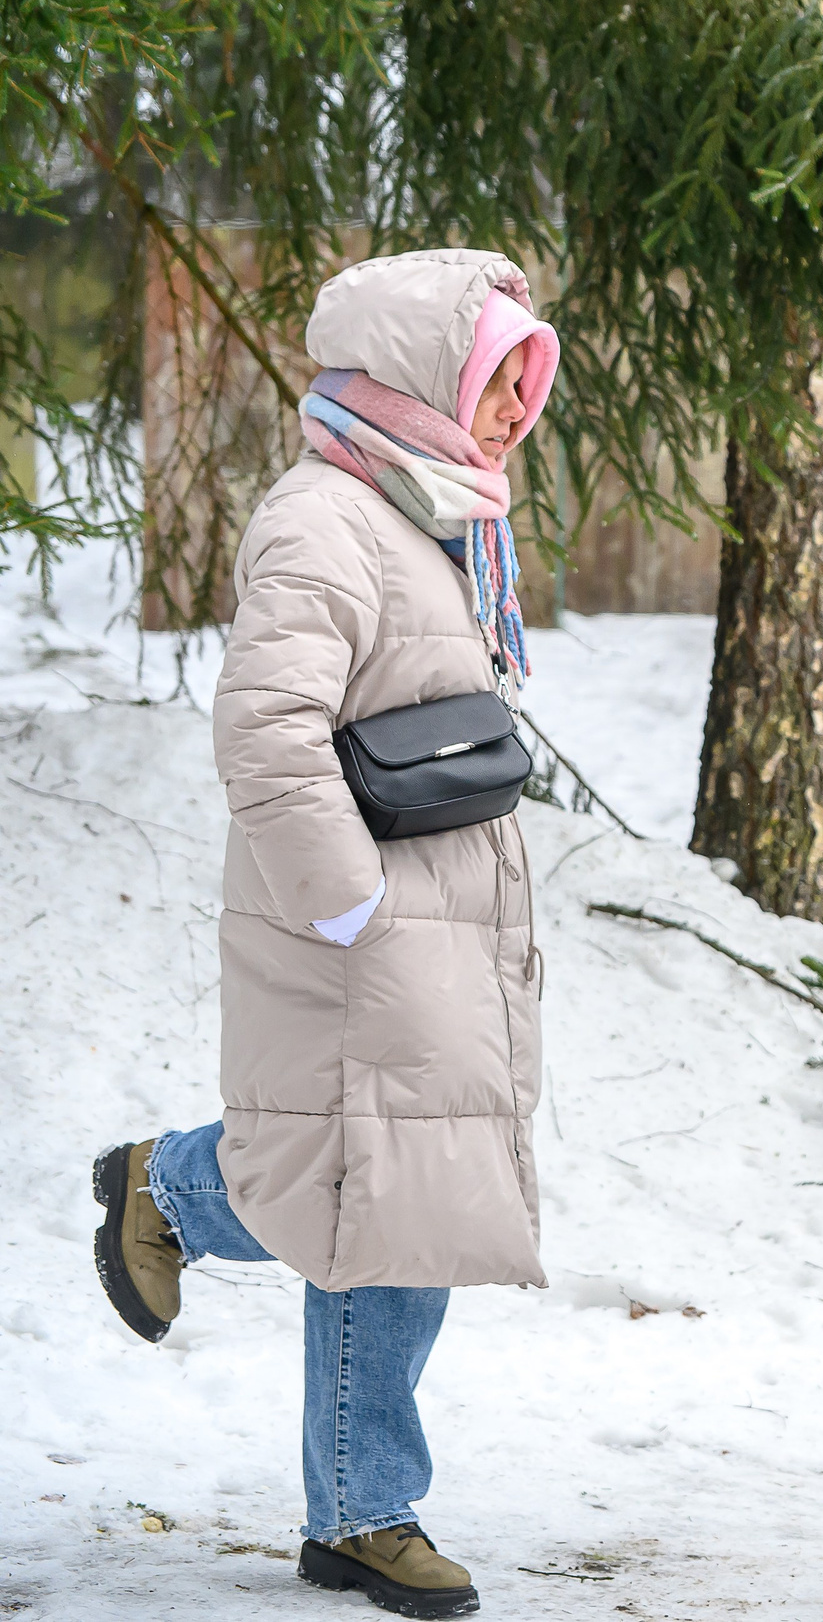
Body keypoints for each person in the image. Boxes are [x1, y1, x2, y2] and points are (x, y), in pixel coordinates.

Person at [90, 248, 561, 1621]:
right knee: (381, 1191)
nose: (514, 413)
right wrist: (347, 899)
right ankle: (359, 1500)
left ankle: (173, 1194)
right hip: (366, 923)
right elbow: (265, 730)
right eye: (495, 383)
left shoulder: (429, 509)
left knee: (406, 1187)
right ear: (420, 376)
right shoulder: (325, 519)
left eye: (527, 386)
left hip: (439, 916)